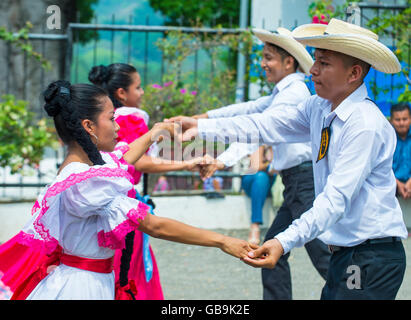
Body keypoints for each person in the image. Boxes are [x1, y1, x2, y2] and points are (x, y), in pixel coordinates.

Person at [171, 19, 408, 300]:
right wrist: (202, 127)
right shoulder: (319, 107)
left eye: (324, 63)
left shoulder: (364, 125)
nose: (313, 70)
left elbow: (335, 201)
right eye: (316, 60)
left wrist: (282, 242)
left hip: (370, 255)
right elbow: (265, 125)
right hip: (349, 252)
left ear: (354, 73)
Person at [0, 81, 254, 300]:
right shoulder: (85, 181)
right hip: (82, 286)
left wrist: (155, 132)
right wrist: (222, 240)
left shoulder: (85, 169)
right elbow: (154, 226)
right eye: (111, 119)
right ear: (88, 126)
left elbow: (124, 158)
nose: (118, 127)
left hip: (90, 280)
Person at [170, 27, 331, 300]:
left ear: (288, 61)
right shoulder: (283, 93)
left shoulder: (292, 94)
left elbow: (259, 128)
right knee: (271, 251)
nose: (263, 63)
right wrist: (202, 117)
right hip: (296, 183)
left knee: (324, 257)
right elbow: (249, 110)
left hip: (305, 183)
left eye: (269, 57)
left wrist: (207, 135)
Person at [88, 63, 205, 300]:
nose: (142, 93)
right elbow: (138, 163)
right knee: (130, 270)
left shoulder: (106, 120)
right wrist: (186, 164)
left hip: (112, 201)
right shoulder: (130, 118)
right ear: (122, 93)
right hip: (123, 203)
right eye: (138, 88)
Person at [241, 146, 276, 245]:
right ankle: (255, 225)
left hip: (270, 183)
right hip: (252, 179)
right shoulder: (259, 144)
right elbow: (256, 167)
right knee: (261, 177)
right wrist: (270, 163)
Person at [390, 103, 411, 199]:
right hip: (390, 187)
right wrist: (397, 183)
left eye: (405, 119)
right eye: (398, 120)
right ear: (391, 121)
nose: (401, 123)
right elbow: (379, 164)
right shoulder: (386, 138)